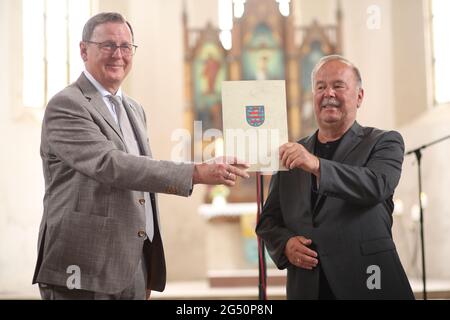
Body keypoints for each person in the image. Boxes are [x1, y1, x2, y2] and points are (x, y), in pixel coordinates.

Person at [32, 12, 249, 300]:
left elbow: (140, 184)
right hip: (84, 264)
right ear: (84, 50)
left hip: (132, 263)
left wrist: (145, 264)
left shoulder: (134, 109)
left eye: (126, 47)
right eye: (108, 45)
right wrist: (194, 172)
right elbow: (111, 165)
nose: (118, 54)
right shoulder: (67, 105)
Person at [256, 55, 414, 300]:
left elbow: (375, 185)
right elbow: (268, 222)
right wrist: (285, 244)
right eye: (320, 87)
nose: (328, 93)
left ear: (359, 96)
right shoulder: (290, 154)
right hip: (308, 289)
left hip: (369, 284)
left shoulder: (384, 142)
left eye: (338, 85)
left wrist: (317, 165)